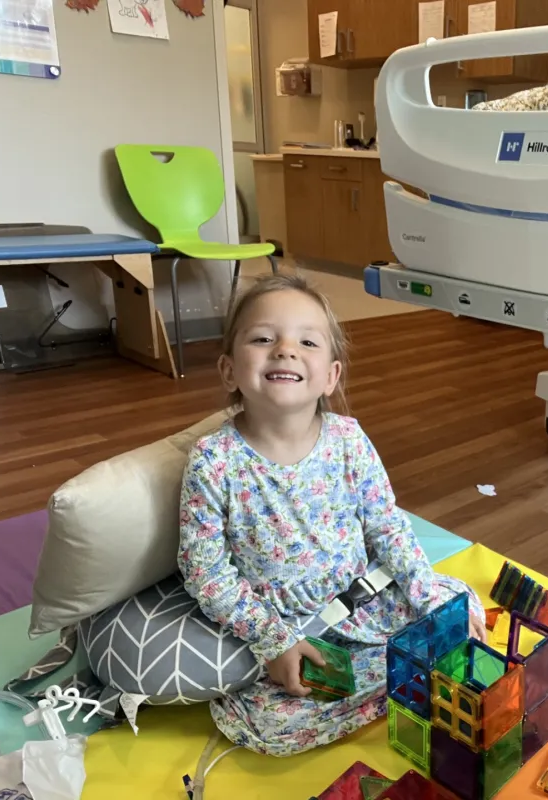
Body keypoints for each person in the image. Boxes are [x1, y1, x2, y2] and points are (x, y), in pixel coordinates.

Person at [177, 272, 487, 757]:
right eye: (262, 338)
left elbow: (388, 526)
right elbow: (205, 572)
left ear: (330, 376)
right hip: (292, 626)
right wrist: (271, 640)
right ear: (228, 370)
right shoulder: (214, 460)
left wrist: (427, 597)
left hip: (365, 599)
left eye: (306, 341)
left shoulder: (348, 439)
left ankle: (394, 670)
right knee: (269, 724)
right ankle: (400, 675)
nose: (284, 349)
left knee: (459, 602)